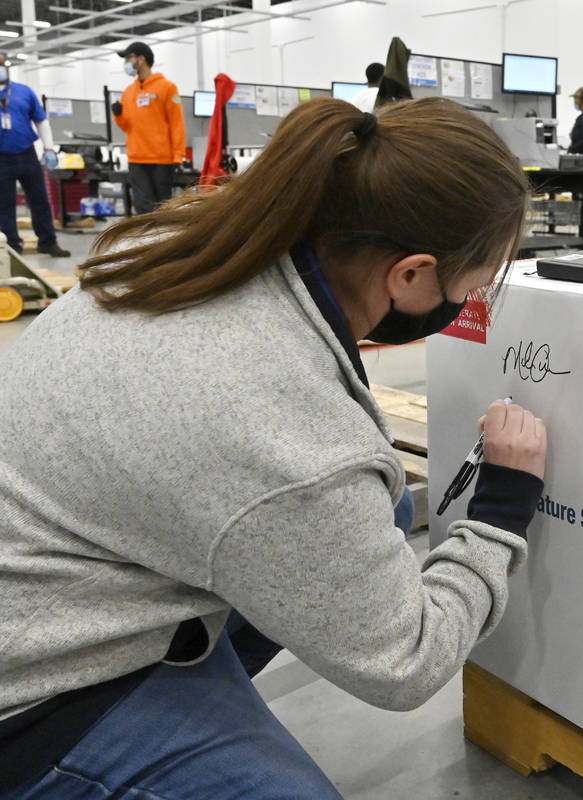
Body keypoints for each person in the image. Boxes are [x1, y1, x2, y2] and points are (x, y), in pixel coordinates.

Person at [0, 97, 545, 798]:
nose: (479, 297)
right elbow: (407, 659)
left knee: (373, 521)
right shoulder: (283, 436)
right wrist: (501, 509)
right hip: (39, 696)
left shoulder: (179, 244)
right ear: (410, 276)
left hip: (55, 575)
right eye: (481, 280)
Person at [0, 55, 69, 258]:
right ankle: (12, 247)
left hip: (27, 154)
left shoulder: (24, 92)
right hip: (1, 160)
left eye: (3, 64)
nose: (1, 68)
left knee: (39, 200)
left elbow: (41, 120)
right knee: (4, 205)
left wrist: (49, 149)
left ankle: (48, 242)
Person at [112, 42, 186, 215]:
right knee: (143, 209)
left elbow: (177, 123)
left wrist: (178, 155)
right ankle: (148, 241)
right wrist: (118, 115)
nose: (126, 64)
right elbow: (127, 127)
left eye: (128, 58)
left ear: (141, 59)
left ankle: (166, 241)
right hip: (137, 159)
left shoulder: (167, 87)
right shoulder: (129, 92)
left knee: (163, 209)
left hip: (162, 159)